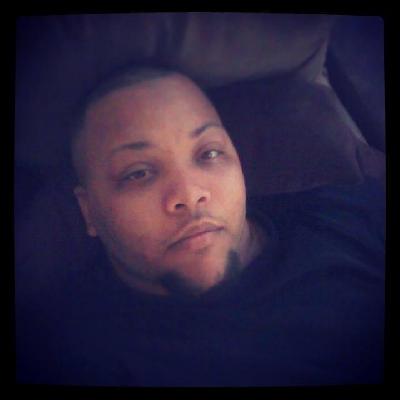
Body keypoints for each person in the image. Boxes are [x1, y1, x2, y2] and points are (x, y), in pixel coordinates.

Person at [16, 66, 385, 387]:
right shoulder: (64, 352)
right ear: (89, 211)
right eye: (138, 173)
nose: (190, 195)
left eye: (209, 153)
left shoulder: (354, 216)